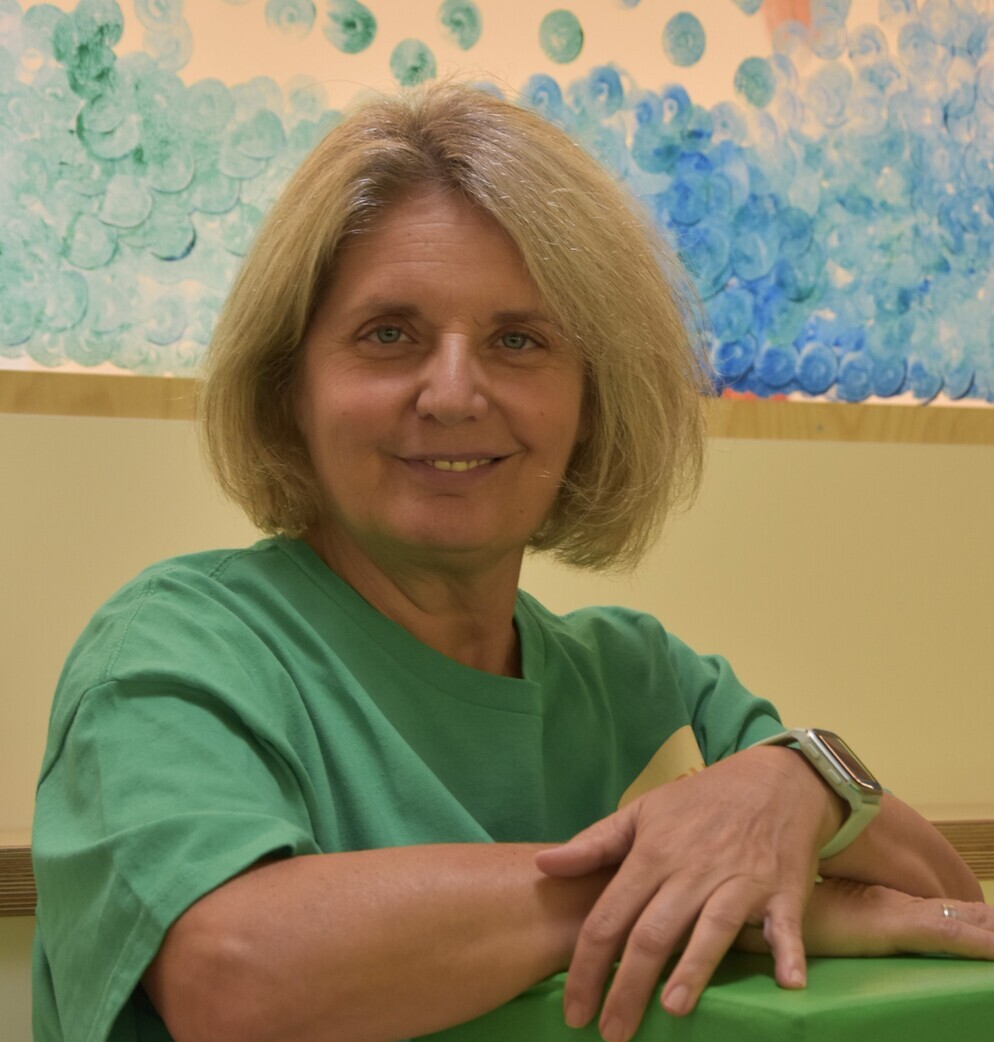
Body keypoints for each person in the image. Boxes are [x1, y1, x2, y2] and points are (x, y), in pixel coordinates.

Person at [32, 81, 992, 1042]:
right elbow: (231, 976)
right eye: (389, 334)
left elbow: (946, 914)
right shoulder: (176, 651)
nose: (454, 393)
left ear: (592, 403)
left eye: (519, 340)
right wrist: (658, 881)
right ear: (291, 387)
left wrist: (803, 783)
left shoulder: (648, 687)